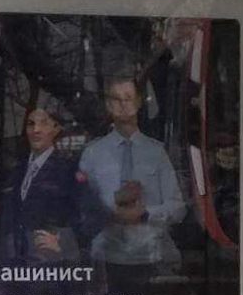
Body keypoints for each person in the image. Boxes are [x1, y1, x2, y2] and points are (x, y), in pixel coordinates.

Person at [76, 72, 185, 268]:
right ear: (108, 104)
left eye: (128, 98)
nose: (123, 104)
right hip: (105, 257)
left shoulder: (156, 152)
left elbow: (178, 208)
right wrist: (109, 212)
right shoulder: (93, 154)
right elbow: (81, 208)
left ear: (138, 102)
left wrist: (145, 213)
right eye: (116, 99)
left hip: (151, 255)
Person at [0, 97, 91, 262]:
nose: (36, 130)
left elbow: (88, 217)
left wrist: (63, 243)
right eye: (31, 124)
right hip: (14, 263)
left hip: (52, 265)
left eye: (44, 123)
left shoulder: (68, 171)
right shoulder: (15, 172)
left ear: (56, 128)